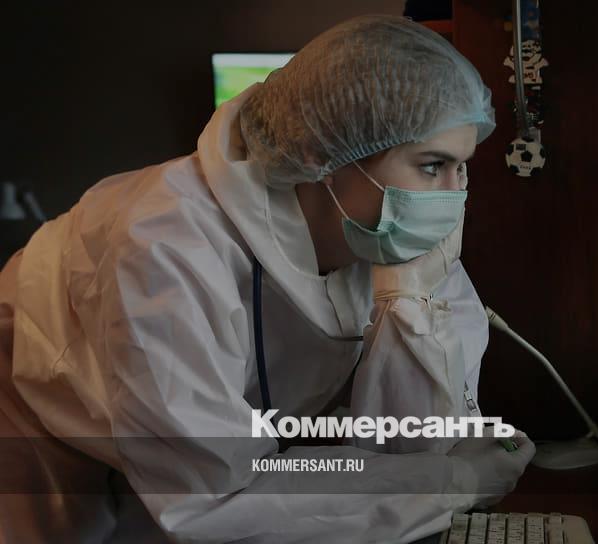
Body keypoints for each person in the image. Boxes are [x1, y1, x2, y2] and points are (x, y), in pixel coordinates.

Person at [0, 14, 535, 543]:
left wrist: (410, 299)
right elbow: (214, 501)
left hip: (193, 435)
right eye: (432, 165)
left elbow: (415, 439)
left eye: (462, 167)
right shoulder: (168, 247)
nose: (453, 195)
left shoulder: (391, 229)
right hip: (37, 398)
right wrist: (452, 484)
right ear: (325, 153)